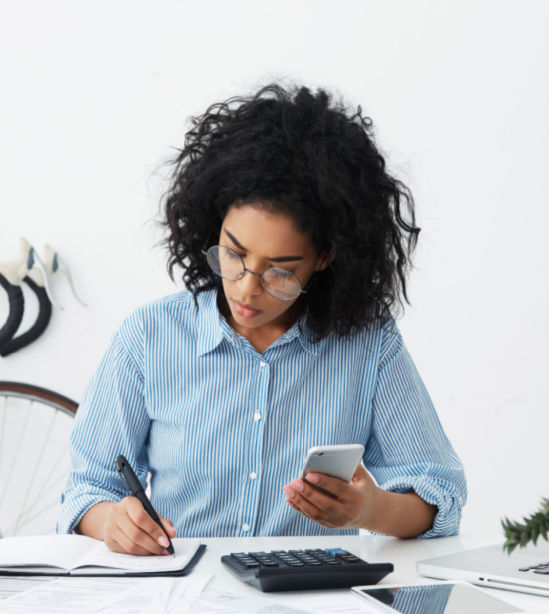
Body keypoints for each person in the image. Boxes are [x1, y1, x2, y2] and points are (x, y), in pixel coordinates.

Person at [58, 83, 467, 555]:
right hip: (183, 601)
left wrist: (367, 510)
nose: (247, 288)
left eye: (280, 272)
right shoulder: (150, 337)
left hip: (313, 605)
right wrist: (113, 520)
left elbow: (440, 496)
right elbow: (87, 492)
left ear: (325, 258)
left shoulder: (368, 345)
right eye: (233, 253)